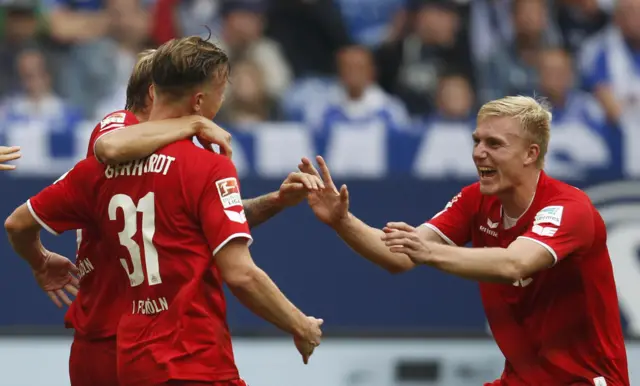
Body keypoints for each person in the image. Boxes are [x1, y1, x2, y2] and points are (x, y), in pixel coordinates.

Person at [5, 35, 324, 386]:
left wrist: (275, 201)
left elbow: (18, 223)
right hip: (188, 353)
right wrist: (299, 323)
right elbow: (240, 274)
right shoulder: (193, 160)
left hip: (127, 350)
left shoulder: (94, 172)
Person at [299, 96, 629, 385]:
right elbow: (399, 257)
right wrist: (343, 222)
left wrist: (429, 251)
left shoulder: (569, 208)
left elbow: (515, 263)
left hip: (585, 381)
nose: (478, 153)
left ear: (531, 154)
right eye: (477, 141)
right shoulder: (476, 201)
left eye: (494, 144)